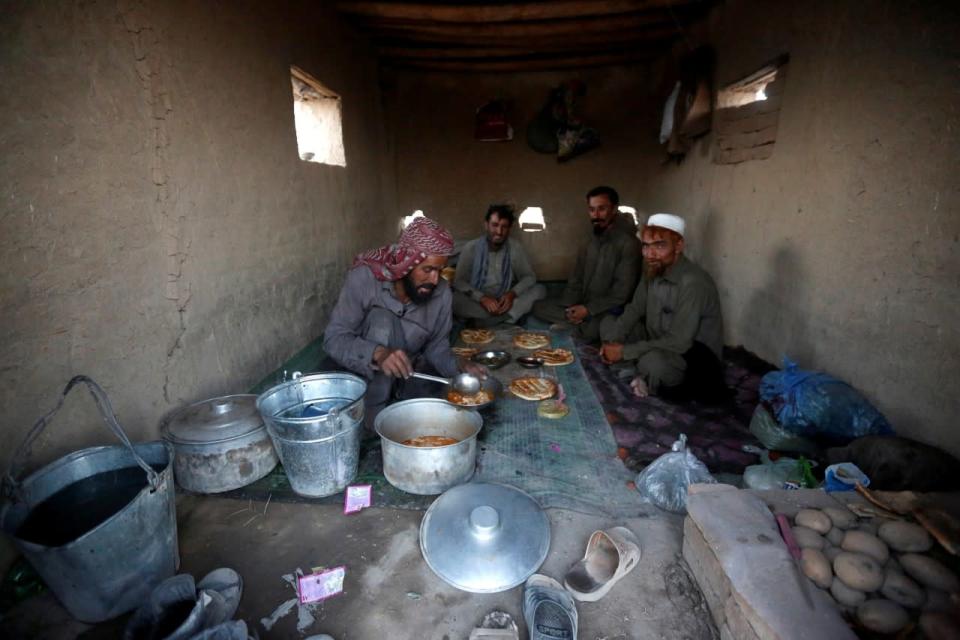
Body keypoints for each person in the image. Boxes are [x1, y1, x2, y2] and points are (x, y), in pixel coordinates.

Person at [323, 216, 486, 426]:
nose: (435, 280)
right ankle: (369, 423)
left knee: (438, 422)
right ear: (407, 263)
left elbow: (437, 348)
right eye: (427, 270)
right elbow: (334, 339)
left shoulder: (442, 293)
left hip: (411, 377)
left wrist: (459, 364)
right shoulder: (365, 278)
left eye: (440, 270)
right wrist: (378, 353)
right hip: (367, 381)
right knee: (382, 320)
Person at [599, 213, 726, 401]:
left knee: (652, 362)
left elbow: (679, 342)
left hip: (691, 357)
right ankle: (635, 370)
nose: (650, 254)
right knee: (609, 323)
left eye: (660, 246)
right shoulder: (653, 269)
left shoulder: (693, 283)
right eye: (646, 246)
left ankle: (637, 370)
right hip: (657, 341)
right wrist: (611, 341)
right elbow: (635, 309)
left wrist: (624, 352)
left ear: (678, 246)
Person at [532, 186, 640, 341]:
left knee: (596, 328)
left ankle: (578, 327)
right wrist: (570, 307)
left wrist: (588, 310)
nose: (596, 215)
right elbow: (576, 277)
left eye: (601, 209)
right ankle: (574, 323)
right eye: (591, 210)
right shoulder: (589, 240)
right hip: (582, 303)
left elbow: (621, 294)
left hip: (606, 310)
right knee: (538, 307)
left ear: (614, 209)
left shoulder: (629, 244)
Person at [452, 204, 546, 326]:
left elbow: (529, 277)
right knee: (453, 299)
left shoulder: (515, 248)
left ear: (509, 228)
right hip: (479, 302)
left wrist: (512, 294)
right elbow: (459, 282)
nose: (499, 232)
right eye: (495, 225)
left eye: (504, 227)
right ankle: (509, 318)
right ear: (486, 225)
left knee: (540, 290)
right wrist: (481, 298)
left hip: (505, 301)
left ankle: (491, 320)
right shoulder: (471, 248)